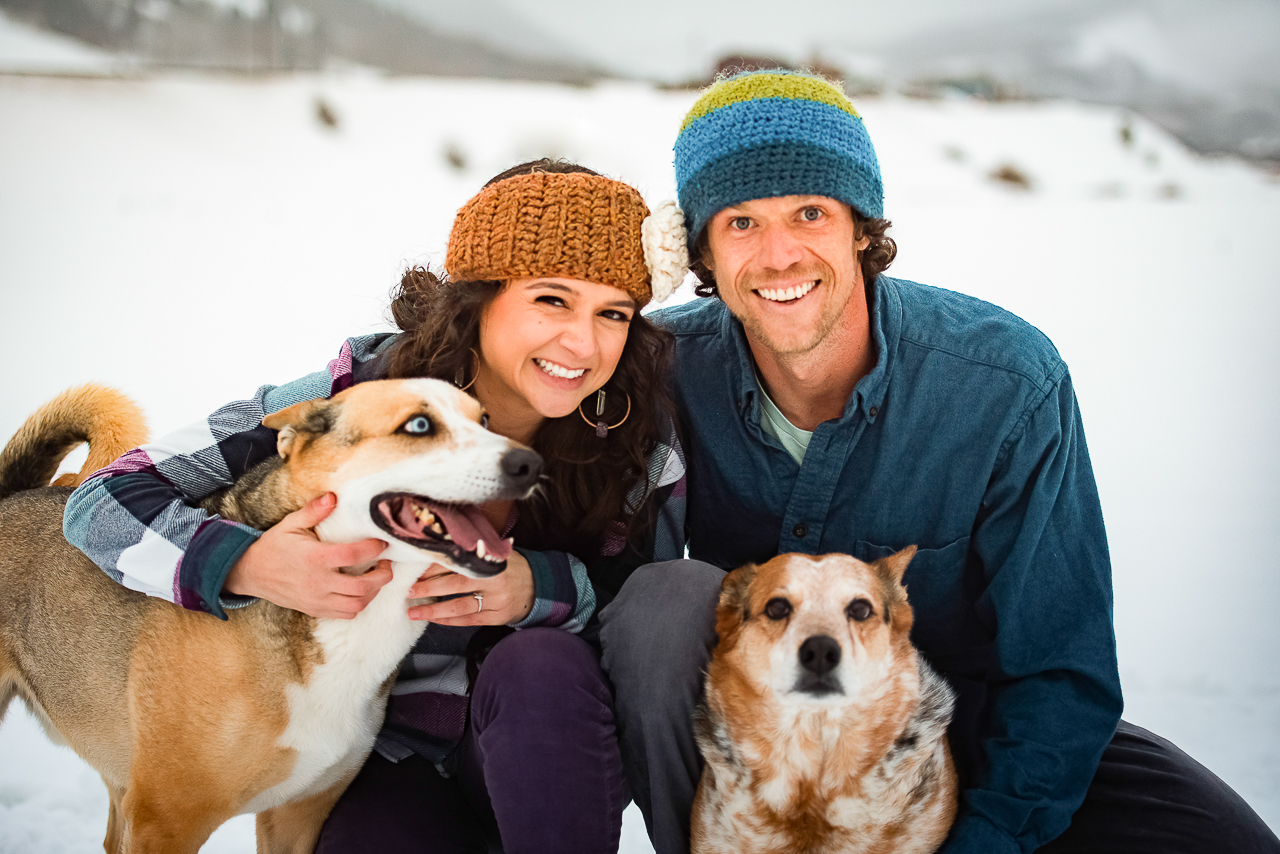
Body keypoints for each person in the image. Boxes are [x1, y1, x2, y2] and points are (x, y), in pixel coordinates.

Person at [597, 70, 1280, 854]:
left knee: (1226, 842)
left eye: (810, 213)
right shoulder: (658, 372)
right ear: (704, 249)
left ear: (861, 226)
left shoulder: (1005, 384)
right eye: (742, 221)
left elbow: (1061, 667)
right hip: (758, 746)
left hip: (973, 727)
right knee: (659, 606)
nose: (779, 255)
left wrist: (983, 840)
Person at [63, 159, 691, 854]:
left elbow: (639, 627)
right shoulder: (364, 390)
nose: (584, 344)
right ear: (480, 298)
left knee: (538, 664)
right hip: (378, 753)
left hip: (543, 753)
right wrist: (244, 562)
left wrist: (538, 588)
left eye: (614, 314)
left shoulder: (637, 440)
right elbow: (103, 499)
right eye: (552, 300)